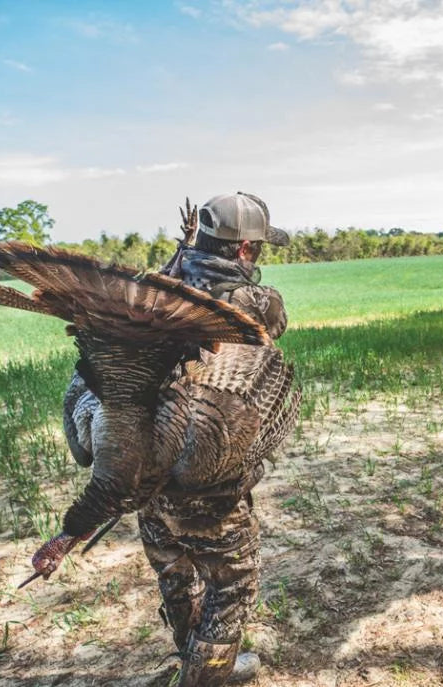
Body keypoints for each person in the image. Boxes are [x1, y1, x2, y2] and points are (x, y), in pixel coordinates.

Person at [140, 191, 291, 684]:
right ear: (245, 250)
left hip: (144, 469)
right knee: (232, 584)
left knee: (174, 572)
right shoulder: (255, 302)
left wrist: (185, 253)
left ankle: (193, 657)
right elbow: (276, 326)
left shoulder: (150, 292)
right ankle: (206, 678)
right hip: (204, 476)